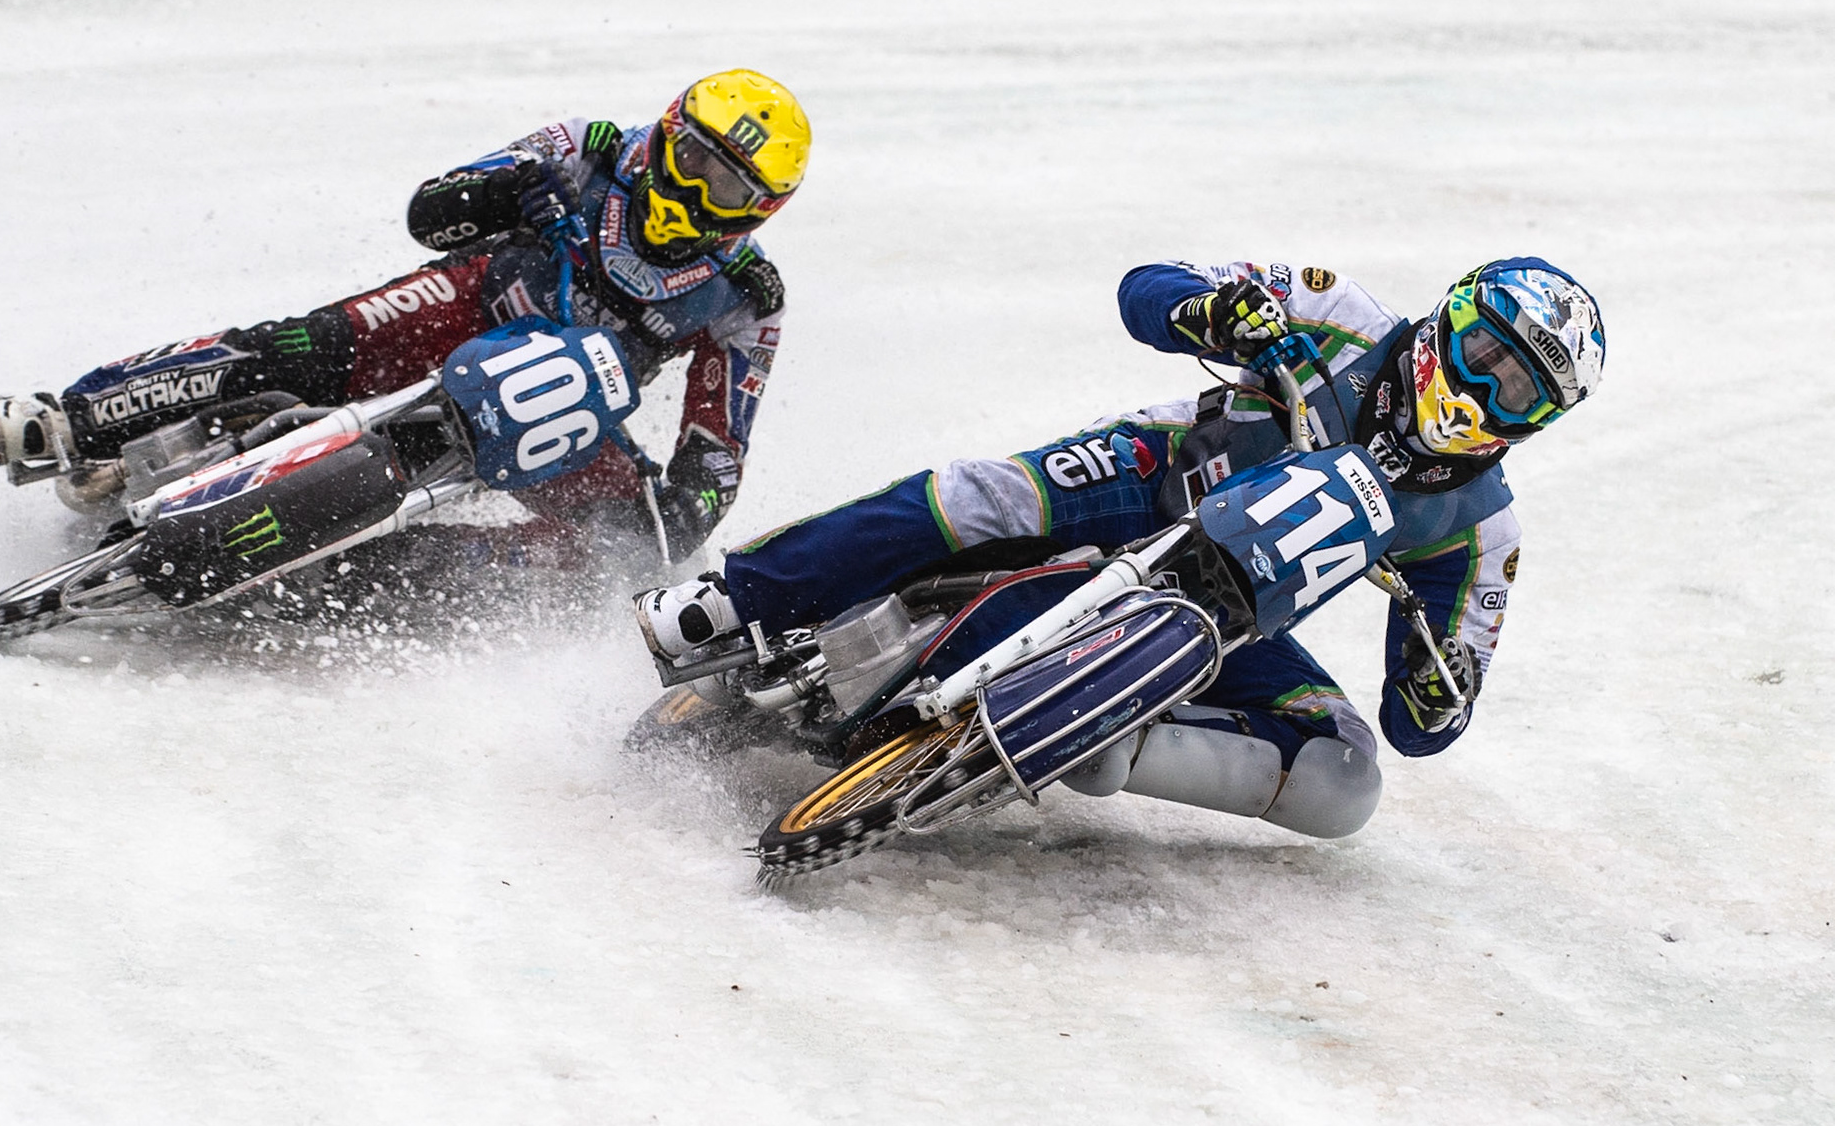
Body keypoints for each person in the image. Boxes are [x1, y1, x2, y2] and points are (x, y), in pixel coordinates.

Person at [633, 257, 1605, 839]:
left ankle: (1105, 735)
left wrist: (1438, 690)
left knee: (1344, 776)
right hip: (1156, 469)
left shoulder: (1482, 532)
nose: (1484, 395)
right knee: (986, 497)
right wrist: (1213, 312)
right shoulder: (1342, 313)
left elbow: (1425, 717)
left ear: (1541, 421)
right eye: (1486, 358)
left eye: (1519, 392)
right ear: (1451, 320)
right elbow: (1148, 287)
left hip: (1224, 611)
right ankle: (738, 596)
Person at [0, 69, 810, 560]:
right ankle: (72, 421)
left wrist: (683, 513)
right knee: (306, 345)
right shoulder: (587, 144)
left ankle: (381, 577)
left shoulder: (748, 299)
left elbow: (718, 454)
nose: (695, 186)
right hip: (469, 299)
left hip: (565, 412)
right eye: (692, 155)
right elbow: (430, 212)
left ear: (758, 211)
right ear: (668, 129)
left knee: (617, 561)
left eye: (727, 185)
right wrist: (502, 192)